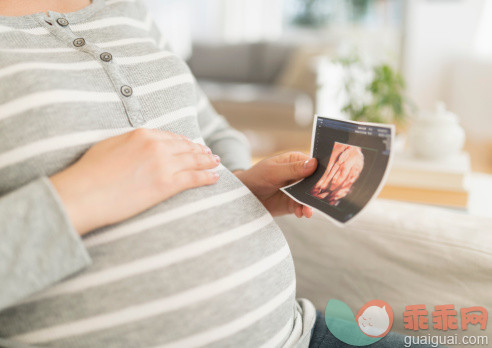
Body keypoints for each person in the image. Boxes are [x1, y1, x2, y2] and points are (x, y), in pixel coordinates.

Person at [0, 1, 429, 347]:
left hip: (298, 333)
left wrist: (238, 179)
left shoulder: (127, 10)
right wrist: (81, 196)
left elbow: (212, 128)